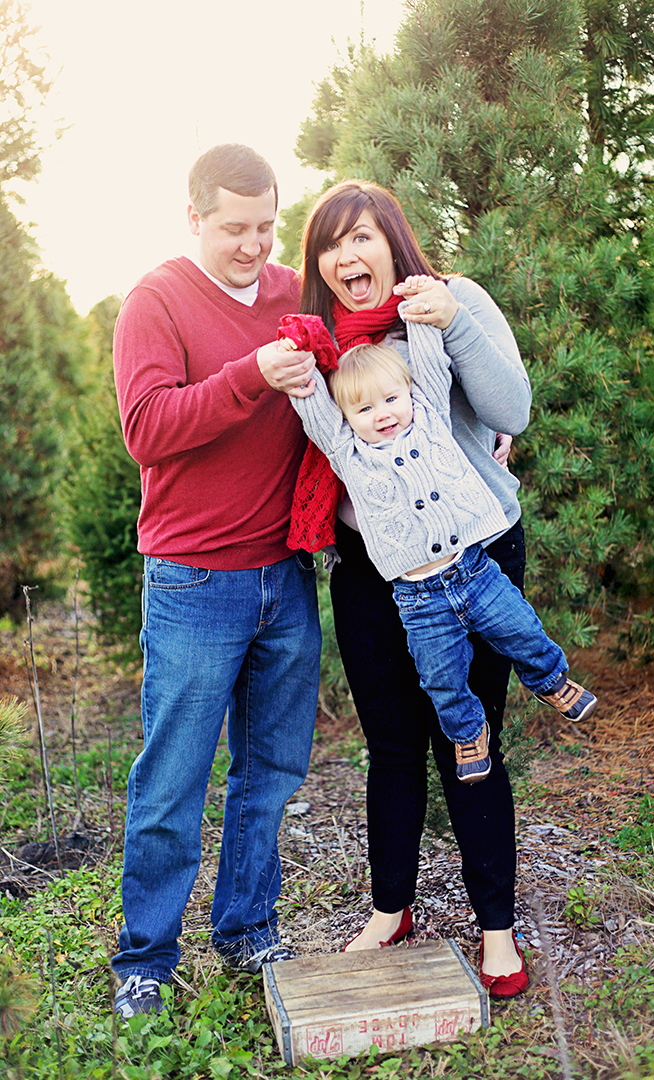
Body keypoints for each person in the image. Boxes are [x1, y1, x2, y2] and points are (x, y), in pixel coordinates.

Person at [292, 179, 538, 997]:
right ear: (319, 263)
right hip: (376, 570)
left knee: (470, 742)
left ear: (393, 241)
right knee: (393, 745)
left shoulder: (451, 298)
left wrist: (455, 325)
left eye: (361, 236)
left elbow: (513, 409)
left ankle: (496, 929)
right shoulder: (322, 344)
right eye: (331, 244)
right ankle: (390, 906)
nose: (347, 256)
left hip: (475, 558)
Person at [111, 144, 322, 1020]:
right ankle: (146, 960)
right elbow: (149, 428)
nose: (254, 246)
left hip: (286, 575)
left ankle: (245, 930)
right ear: (193, 217)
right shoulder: (155, 302)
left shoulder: (288, 293)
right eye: (235, 228)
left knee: (270, 771)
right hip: (195, 582)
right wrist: (248, 377)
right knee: (173, 783)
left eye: (268, 227)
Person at [278, 326, 597, 784]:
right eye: (364, 408)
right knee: (441, 677)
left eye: (390, 399)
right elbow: (314, 411)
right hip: (419, 598)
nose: (382, 414)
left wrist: (422, 320)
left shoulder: (428, 417)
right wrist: (300, 365)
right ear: (345, 418)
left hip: (474, 571)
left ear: (408, 394)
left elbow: (431, 365)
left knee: (521, 628)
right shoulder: (347, 452)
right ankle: (468, 733)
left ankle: (550, 680)